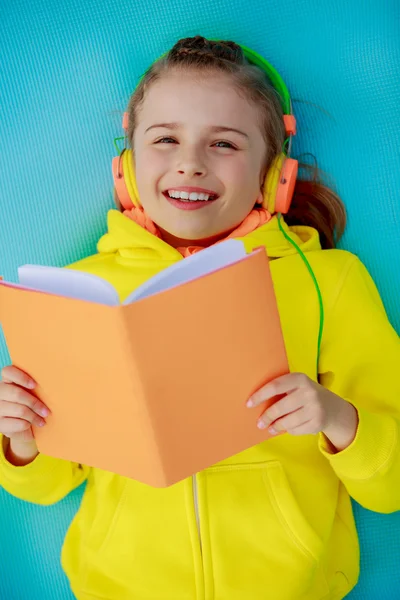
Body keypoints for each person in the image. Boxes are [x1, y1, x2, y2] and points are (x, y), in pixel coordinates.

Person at [0, 35, 399, 600]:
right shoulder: (79, 292)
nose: (190, 163)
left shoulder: (330, 282)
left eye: (224, 144)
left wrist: (336, 418)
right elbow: (45, 488)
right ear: (128, 166)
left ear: (273, 174)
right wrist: (19, 438)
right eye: (164, 139)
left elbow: (390, 487)